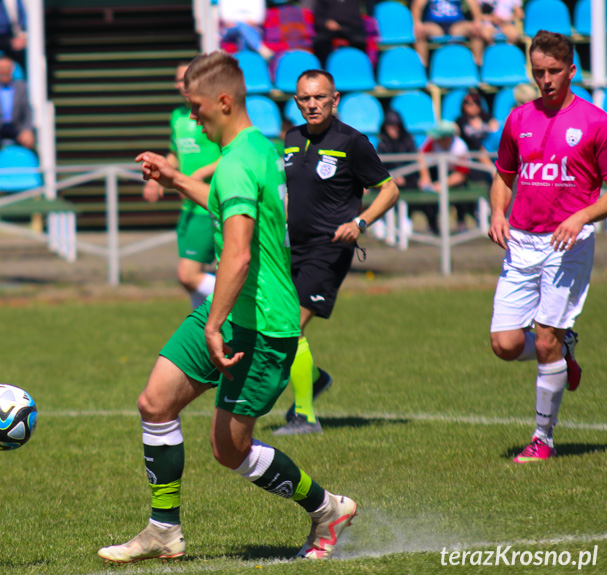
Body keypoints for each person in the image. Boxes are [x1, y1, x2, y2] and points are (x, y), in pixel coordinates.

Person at [97, 51, 357, 564]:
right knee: (155, 403)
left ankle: (328, 508)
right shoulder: (257, 147)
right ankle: (162, 531)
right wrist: (172, 178)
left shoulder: (239, 161)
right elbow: (221, 199)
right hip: (234, 311)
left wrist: (213, 326)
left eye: (195, 107)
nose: (191, 117)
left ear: (222, 100)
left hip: (260, 324)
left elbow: (237, 254)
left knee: (230, 449)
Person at [488, 31, 607, 463]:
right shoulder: (519, 118)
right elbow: (503, 174)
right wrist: (498, 214)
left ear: (571, 70)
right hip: (521, 240)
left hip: (567, 242)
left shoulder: (595, 121)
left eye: (554, 71)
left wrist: (580, 216)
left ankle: (543, 437)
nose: (546, 80)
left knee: (542, 342)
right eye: (538, 72)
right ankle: (564, 347)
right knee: (503, 344)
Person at [274, 69, 399, 435]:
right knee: (279, 328)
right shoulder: (291, 137)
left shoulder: (352, 141)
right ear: (296, 102)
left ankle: (305, 417)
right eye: (304, 99)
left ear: (335, 99)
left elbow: (389, 190)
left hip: (329, 249)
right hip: (290, 249)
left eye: (319, 98)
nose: (312, 105)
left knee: (288, 327)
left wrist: (359, 223)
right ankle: (313, 379)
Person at [142, 63, 218, 309]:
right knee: (191, 280)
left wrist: (200, 173)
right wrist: (159, 174)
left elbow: (230, 153)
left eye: (187, 80)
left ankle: (242, 296)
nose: (182, 85)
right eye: (178, 80)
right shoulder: (177, 116)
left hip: (207, 204)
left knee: (187, 275)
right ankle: (204, 332)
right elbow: (176, 153)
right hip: (188, 204)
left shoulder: (212, 114)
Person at [416, 120, 471, 234]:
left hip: (456, 178)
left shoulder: (460, 148)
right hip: (438, 172)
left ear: (448, 138)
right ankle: (433, 226)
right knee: (429, 199)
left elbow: (462, 174)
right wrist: (425, 177)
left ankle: (461, 223)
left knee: (460, 196)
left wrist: (442, 184)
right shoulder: (432, 142)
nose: (436, 139)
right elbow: (421, 155)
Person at [0, 55, 34, 165]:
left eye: (7, 68)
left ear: (12, 70)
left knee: (29, 143)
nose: (4, 71)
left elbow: (27, 110)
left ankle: (30, 172)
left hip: (16, 127)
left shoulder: (22, 87)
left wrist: (27, 129)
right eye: (1, 69)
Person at [411, 0, 484, 66]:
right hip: (434, 24)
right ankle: (422, 68)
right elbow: (417, 5)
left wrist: (477, 21)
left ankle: (477, 65)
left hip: (457, 24)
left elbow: (472, 3)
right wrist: (417, 22)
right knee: (420, 32)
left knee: (476, 30)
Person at [312, 0, 371, 65]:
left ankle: (356, 65)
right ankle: (325, 67)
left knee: (359, 42)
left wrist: (346, 26)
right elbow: (318, 17)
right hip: (329, 29)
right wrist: (326, 22)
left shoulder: (354, 1)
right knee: (320, 41)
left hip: (351, 28)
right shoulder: (323, 1)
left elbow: (358, 19)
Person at [377, 110, 418, 190]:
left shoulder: (408, 141)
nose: (394, 128)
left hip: (409, 184)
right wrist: (390, 178)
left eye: (396, 125)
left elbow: (415, 164)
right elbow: (379, 168)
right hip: (388, 185)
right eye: (390, 125)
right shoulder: (382, 144)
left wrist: (405, 178)